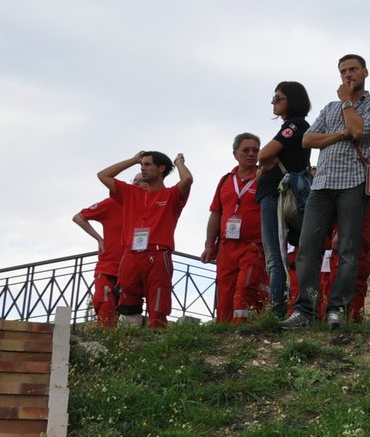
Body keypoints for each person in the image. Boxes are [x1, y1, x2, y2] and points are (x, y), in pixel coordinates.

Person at [284, 55, 370, 329]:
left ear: (365, 71)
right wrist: (340, 135)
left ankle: (336, 309)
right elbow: (307, 139)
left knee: (348, 250)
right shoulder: (329, 108)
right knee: (307, 248)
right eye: (343, 71)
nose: (348, 75)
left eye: (353, 69)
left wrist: (346, 103)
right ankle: (304, 311)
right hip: (322, 185)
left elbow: (358, 131)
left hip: (353, 182)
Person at [96, 150, 193, 328]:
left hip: (157, 254)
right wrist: (133, 160)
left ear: (161, 168)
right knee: (127, 304)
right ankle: (130, 343)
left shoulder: (171, 195)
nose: (143, 169)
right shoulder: (131, 192)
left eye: (147, 165)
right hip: (131, 255)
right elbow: (103, 175)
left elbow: (187, 180)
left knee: (158, 305)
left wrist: (178, 162)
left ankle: (158, 344)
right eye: (142, 165)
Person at [72, 168, 156, 328]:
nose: (137, 183)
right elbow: (78, 217)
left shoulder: (150, 207)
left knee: (131, 312)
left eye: (142, 181)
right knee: (103, 303)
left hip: (134, 268)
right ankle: (106, 339)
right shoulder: (112, 203)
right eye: (134, 181)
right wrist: (99, 239)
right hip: (109, 266)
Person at [257, 81, 312, 318]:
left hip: (276, 195)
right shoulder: (295, 126)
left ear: (292, 100)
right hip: (279, 195)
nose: (273, 102)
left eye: (278, 98)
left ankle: (276, 312)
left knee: (275, 257)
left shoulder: (295, 125)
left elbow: (264, 154)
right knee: (281, 256)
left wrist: (266, 160)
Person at [202, 133, 267, 324]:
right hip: (226, 246)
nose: (251, 154)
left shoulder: (263, 177)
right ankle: (223, 331)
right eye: (246, 150)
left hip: (253, 245)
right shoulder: (225, 180)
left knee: (246, 287)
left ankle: (243, 331)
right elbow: (216, 213)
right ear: (235, 154)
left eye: (255, 150)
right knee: (225, 290)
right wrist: (208, 245)